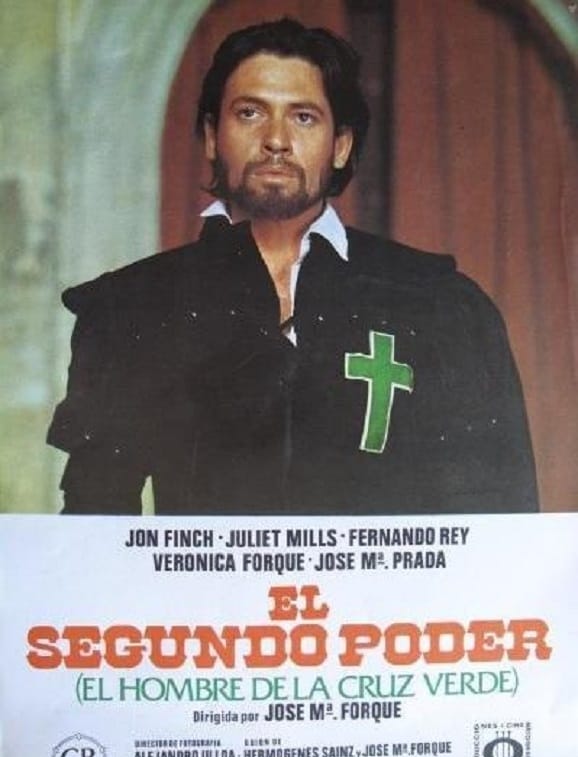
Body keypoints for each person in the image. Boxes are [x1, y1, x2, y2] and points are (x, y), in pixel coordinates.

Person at [48, 18, 538, 514]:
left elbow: (497, 524)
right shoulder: (131, 306)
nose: (276, 140)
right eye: (250, 113)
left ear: (341, 145)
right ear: (213, 137)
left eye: (303, 117)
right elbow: (94, 529)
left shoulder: (440, 302)